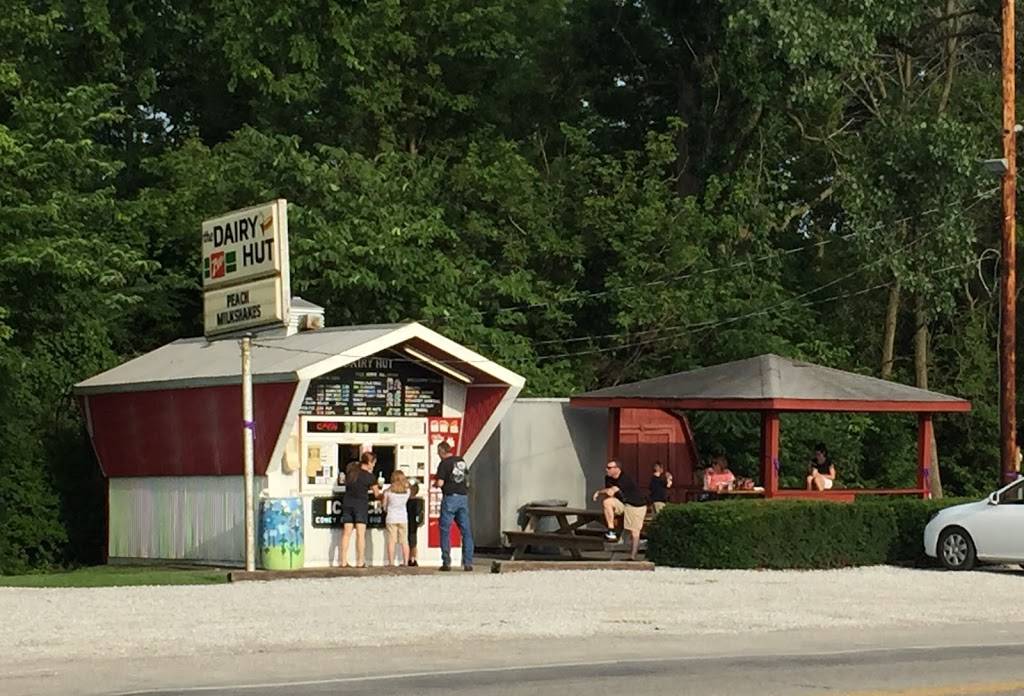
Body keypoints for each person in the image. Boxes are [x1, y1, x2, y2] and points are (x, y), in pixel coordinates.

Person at [592, 459, 647, 560]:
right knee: (607, 502)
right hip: (623, 503)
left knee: (634, 532)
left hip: (636, 505)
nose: (606, 469)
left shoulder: (625, 478)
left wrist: (599, 492)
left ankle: (633, 557)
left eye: (609, 468)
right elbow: (609, 493)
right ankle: (611, 531)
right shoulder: (608, 478)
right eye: (607, 467)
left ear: (617, 469)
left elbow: (611, 491)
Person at [435, 441, 474, 571]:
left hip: (450, 498)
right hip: (463, 498)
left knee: (445, 529)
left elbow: (440, 483)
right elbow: (467, 480)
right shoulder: (461, 461)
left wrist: (436, 483)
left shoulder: (444, 464)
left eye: (438, 452)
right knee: (466, 531)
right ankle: (468, 563)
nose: (438, 455)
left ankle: (446, 562)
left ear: (442, 451)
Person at [339, 452, 381, 568]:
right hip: (360, 505)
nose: (374, 466)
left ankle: (343, 561)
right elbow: (377, 494)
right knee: (360, 534)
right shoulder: (369, 476)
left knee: (346, 533)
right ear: (369, 462)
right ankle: (360, 561)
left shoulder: (351, 473)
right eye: (373, 463)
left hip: (347, 503)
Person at [383, 470, 411, 567]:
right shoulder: (407, 492)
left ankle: (391, 562)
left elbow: (384, 506)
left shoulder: (388, 492)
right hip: (403, 518)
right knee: (404, 541)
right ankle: (406, 562)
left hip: (391, 517)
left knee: (391, 541)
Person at [406, 480, 424, 567]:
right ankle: (412, 559)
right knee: (413, 542)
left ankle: (409, 558)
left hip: (407, 522)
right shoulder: (419, 501)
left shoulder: (406, 501)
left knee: (408, 542)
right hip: (413, 524)